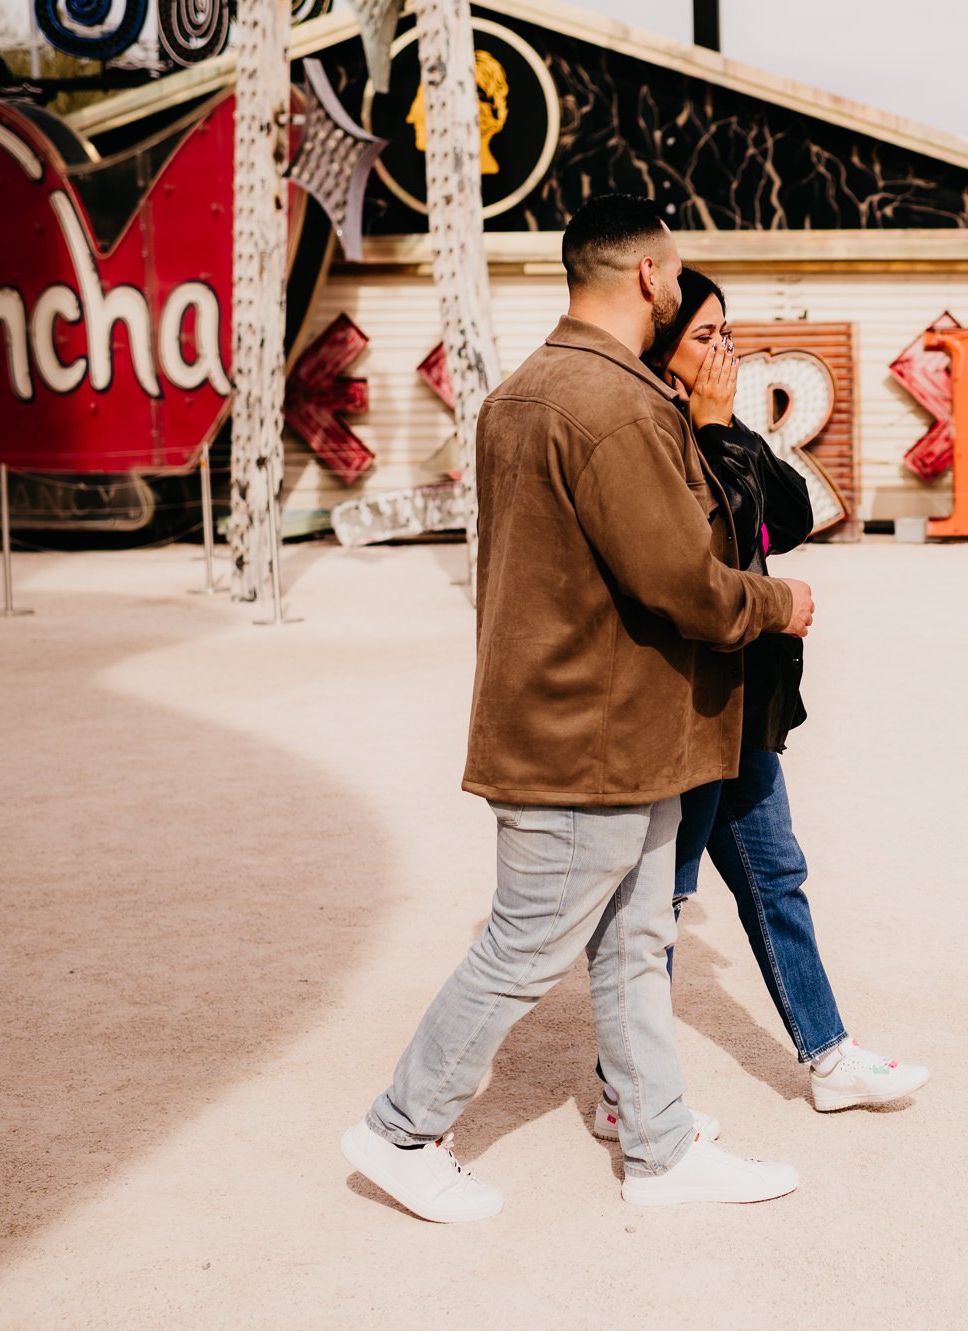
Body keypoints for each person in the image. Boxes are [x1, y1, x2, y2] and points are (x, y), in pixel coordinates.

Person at [340, 197, 815, 1220]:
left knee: (637, 938)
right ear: (647, 275)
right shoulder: (612, 405)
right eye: (676, 272)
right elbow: (682, 581)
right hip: (583, 735)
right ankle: (400, 1127)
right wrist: (781, 601)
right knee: (524, 946)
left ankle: (659, 1146)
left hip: (609, 733)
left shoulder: (526, 391)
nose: (683, 289)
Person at [590, 269, 927, 1146]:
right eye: (705, 338)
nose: (723, 354)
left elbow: (789, 510)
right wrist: (707, 424)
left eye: (727, 335)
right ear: (662, 350)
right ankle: (621, 1085)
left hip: (746, 700)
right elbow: (723, 543)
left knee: (777, 875)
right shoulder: (655, 434)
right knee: (658, 903)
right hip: (688, 704)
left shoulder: (716, 423)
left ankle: (828, 1057)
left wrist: (724, 422)